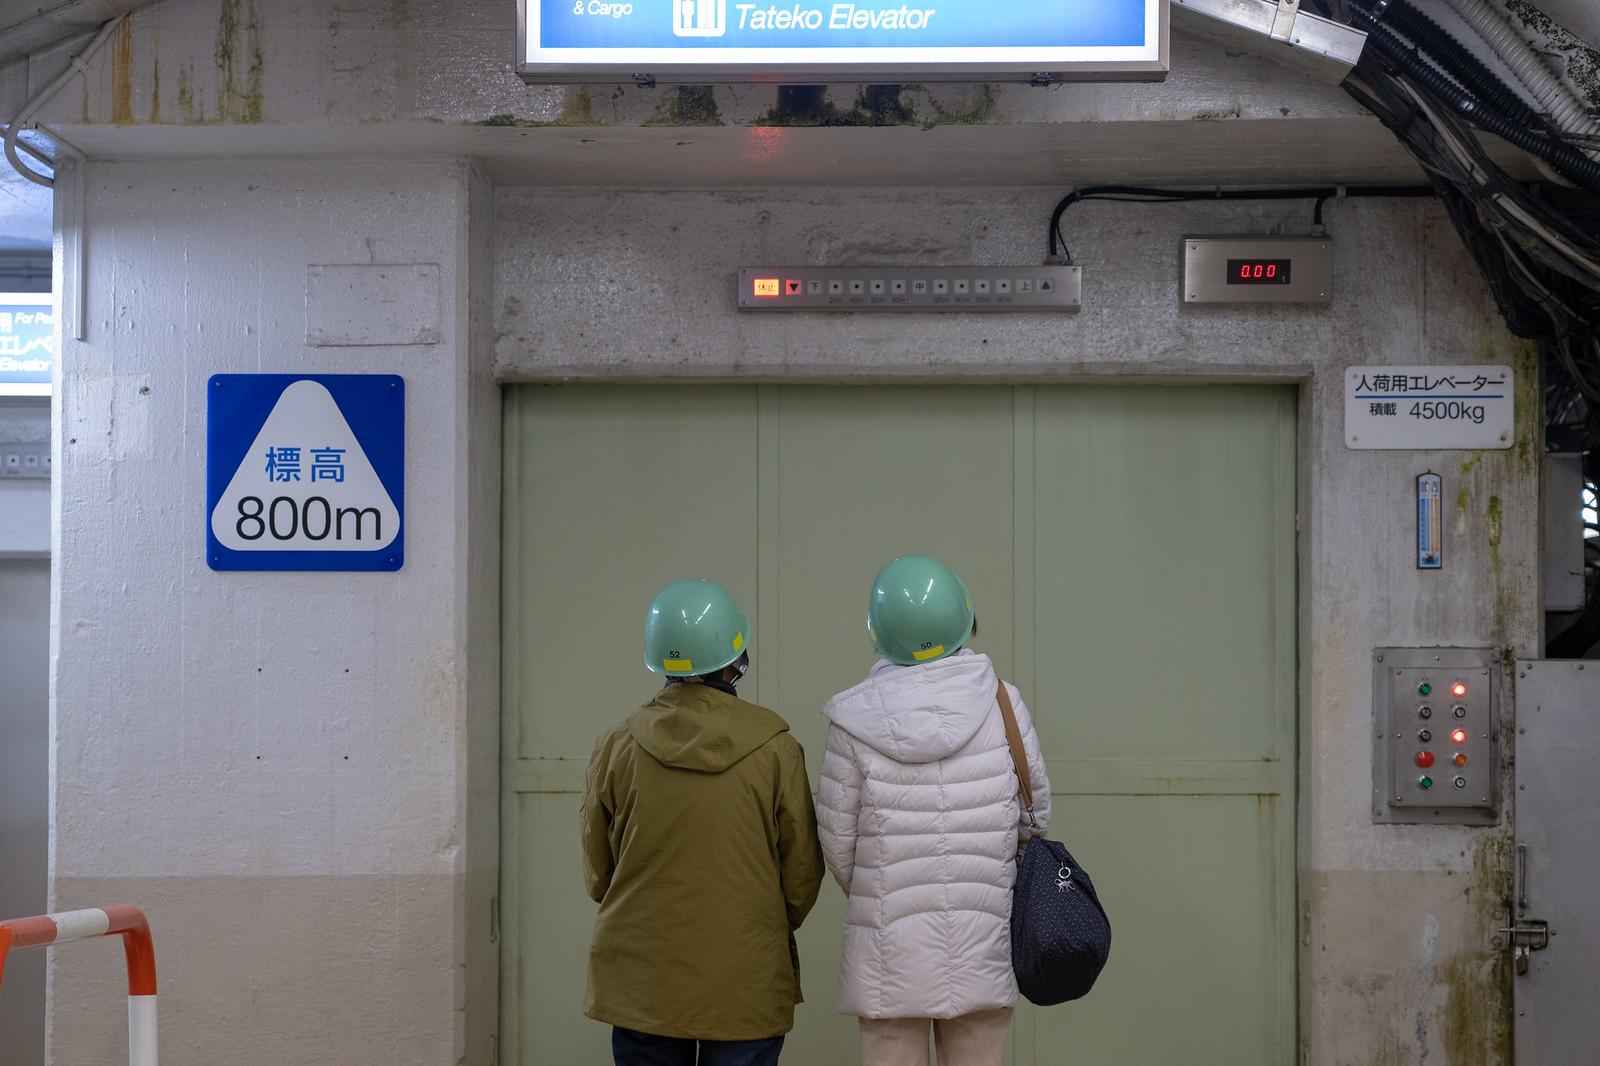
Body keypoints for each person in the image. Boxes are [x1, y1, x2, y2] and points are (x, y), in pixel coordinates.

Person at [815, 555, 1052, 1066]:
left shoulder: (853, 720)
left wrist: (884, 891)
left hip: (889, 950)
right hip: (983, 939)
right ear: (965, 618)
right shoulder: (1003, 703)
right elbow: (1035, 816)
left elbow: (837, 844)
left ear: (878, 633)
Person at [582, 577, 826, 1066]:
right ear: (735, 657)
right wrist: (762, 924)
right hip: (747, 973)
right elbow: (801, 873)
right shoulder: (776, 749)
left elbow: (598, 872)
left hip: (642, 978)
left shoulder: (617, 745)